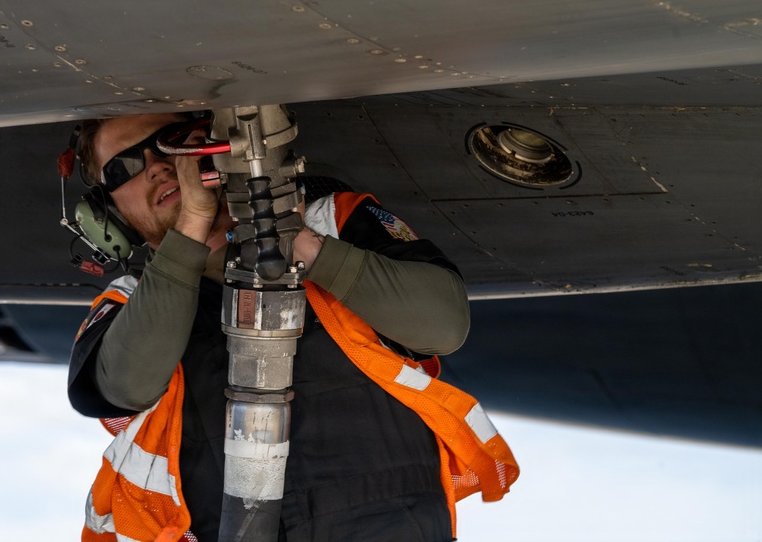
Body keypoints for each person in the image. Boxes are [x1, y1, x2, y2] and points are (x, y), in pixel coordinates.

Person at [67, 112, 517, 542]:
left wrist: (291, 236)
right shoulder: (130, 302)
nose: (159, 169)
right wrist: (191, 227)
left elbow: (444, 324)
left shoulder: (332, 223)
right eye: (125, 166)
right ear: (109, 212)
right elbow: (125, 385)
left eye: (168, 145)